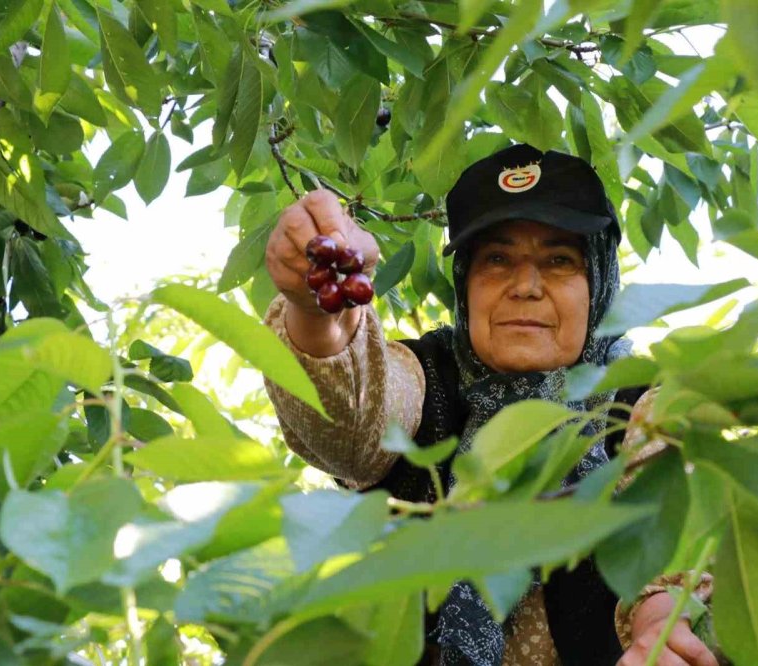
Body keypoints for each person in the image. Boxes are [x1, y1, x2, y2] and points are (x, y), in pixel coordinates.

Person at [263, 143, 717, 666]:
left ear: (598, 283)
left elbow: (667, 509)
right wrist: (320, 315)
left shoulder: (639, 400)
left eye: (560, 260)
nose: (525, 285)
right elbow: (354, 425)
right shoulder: (426, 376)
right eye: (497, 260)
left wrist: (659, 618)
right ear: (465, 286)